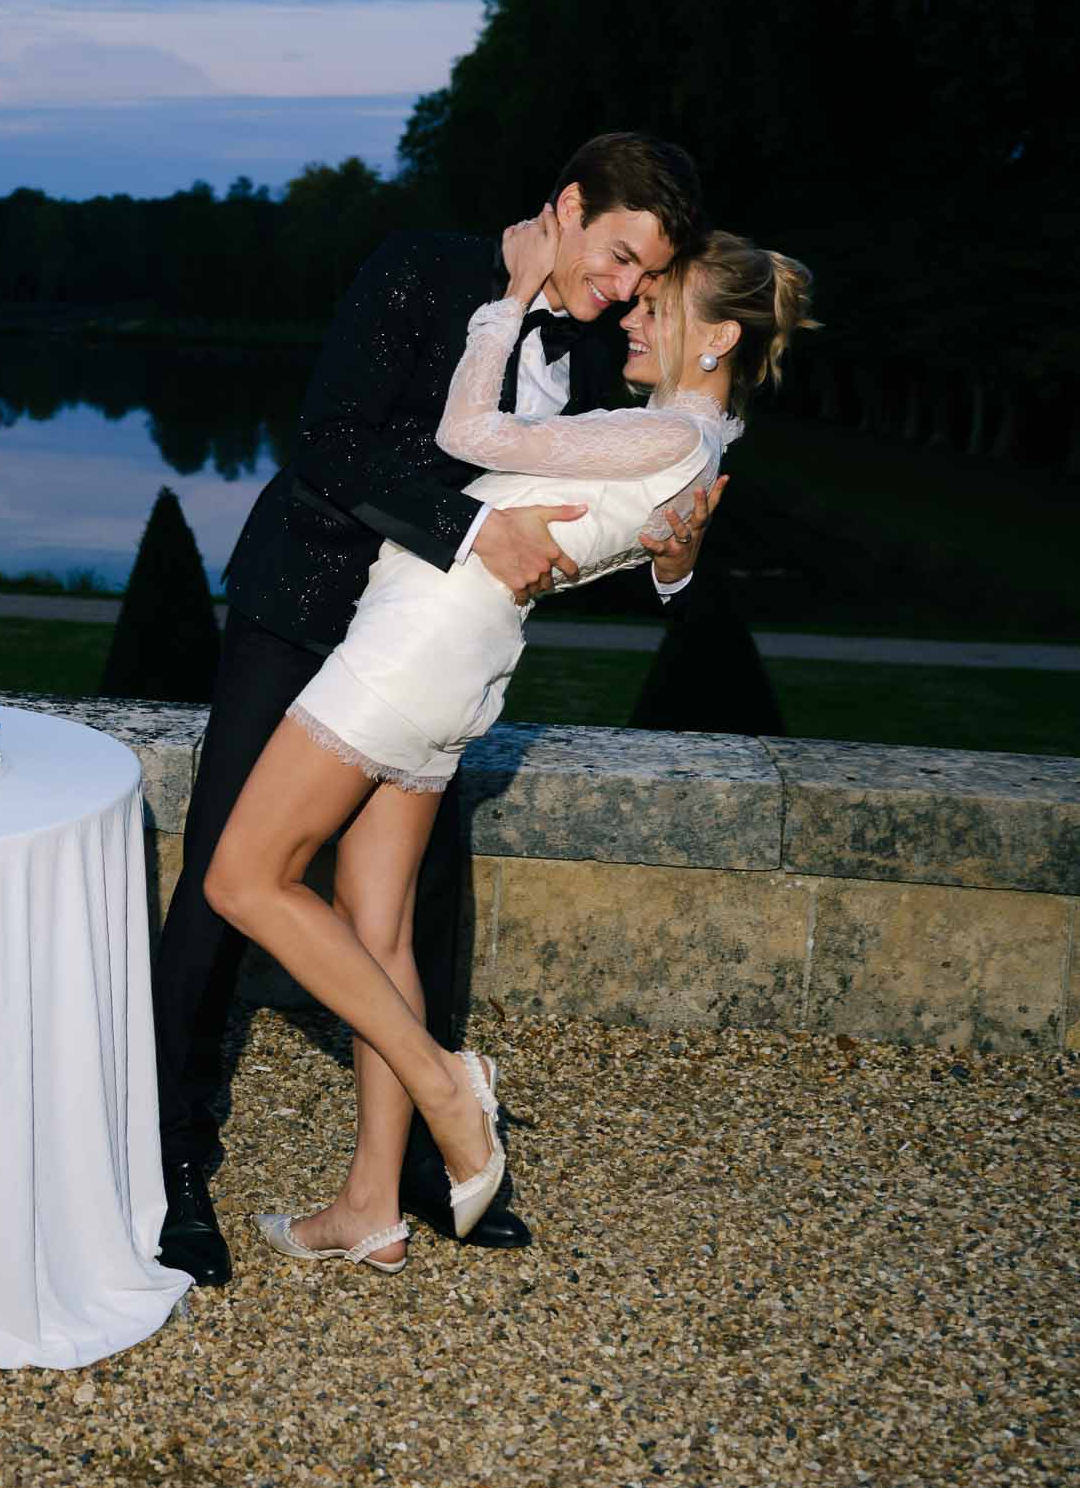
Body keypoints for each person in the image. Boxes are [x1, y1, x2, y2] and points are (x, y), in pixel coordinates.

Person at [152, 131, 708, 1286]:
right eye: (617, 258)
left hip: (424, 646)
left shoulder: (593, 356)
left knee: (414, 908)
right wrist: (471, 531)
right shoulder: (418, 267)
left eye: (645, 279)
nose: (622, 294)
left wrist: (671, 558)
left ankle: (408, 1172)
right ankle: (170, 1163)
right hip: (305, 608)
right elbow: (329, 443)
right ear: (567, 204)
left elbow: (586, 523)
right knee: (219, 884)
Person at [204, 223, 816, 1269]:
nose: (630, 317)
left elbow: (472, 431)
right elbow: (662, 569)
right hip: (453, 654)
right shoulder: (693, 445)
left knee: (242, 878)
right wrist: (677, 556)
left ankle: (446, 1083)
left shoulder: (667, 436)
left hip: (416, 646)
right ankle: (369, 1206)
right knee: (378, 927)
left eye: (656, 307)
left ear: (716, 338)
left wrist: (515, 291)